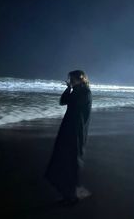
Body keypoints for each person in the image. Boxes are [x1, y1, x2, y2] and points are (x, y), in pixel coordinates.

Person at [45, 70, 92, 205]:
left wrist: (72, 90)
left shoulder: (85, 92)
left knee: (72, 159)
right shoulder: (78, 90)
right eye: (70, 79)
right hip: (69, 128)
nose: (70, 81)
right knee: (65, 157)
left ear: (80, 79)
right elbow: (63, 101)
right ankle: (69, 192)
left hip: (76, 130)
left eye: (72, 79)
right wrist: (68, 88)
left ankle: (71, 194)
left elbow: (73, 105)